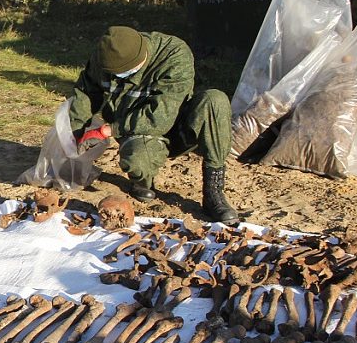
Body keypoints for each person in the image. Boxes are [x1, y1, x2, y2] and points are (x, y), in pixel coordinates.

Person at [70, 26, 239, 224]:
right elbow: (85, 94)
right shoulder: (105, 57)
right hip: (135, 131)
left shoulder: (174, 53)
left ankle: (213, 193)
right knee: (137, 160)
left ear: (140, 61)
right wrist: (75, 133)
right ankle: (142, 181)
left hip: (177, 127)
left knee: (215, 100)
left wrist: (106, 130)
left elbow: (161, 115)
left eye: (125, 73)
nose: (118, 78)